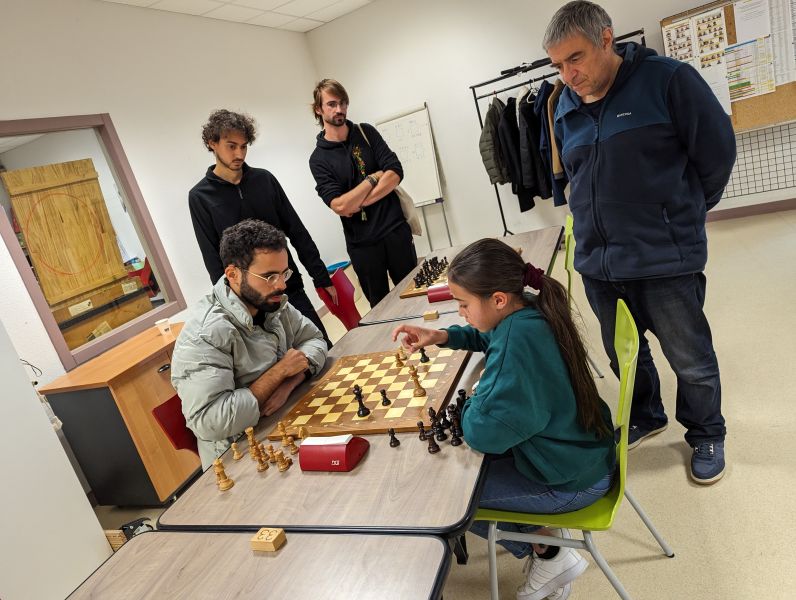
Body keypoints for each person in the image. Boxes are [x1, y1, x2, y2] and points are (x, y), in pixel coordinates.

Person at [544, 1, 735, 484]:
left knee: (690, 358)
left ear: (606, 39)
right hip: (598, 264)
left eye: (575, 58)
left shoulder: (668, 80)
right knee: (625, 355)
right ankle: (647, 415)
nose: (568, 75)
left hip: (663, 259)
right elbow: (574, 175)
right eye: (558, 65)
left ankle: (707, 432)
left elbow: (717, 154)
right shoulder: (565, 104)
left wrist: (680, 215)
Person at [392, 239, 615, 600]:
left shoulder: (518, 341)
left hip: (572, 482)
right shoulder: (527, 309)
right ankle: (547, 545)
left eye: (463, 304)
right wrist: (443, 336)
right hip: (583, 453)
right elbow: (492, 337)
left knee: (448, 499)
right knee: (465, 475)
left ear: (497, 299)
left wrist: (473, 401)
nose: (460, 312)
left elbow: (482, 434)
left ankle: (549, 554)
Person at [171, 220, 328, 469]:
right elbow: (209, 420)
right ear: (233, 275)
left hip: (285, 416)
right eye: (269, 276)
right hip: (240, 454)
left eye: (284, 273)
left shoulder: (273, 302)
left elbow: (315, 339)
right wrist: (279, 372)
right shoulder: (204, 335)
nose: (281, 285)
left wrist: (290, 381)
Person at [189, 109, 336, 348]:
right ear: (212, 143)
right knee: (280, 364)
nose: (239, 154)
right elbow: (214, 261)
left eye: (244, 146)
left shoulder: (264, 180)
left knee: (321, 347)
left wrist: (320, 277)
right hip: (250, 304)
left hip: (288, 289)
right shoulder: (200, 197)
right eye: (231, 146)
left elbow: (297, 230)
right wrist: (233, 309)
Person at [309, 79, 417, 307]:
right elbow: (339, 206)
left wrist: (359, 202)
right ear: (318, 109)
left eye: (343, 103)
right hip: (363, 247)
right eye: (331, 104)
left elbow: (395, 172)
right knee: (381, 309)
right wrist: (373, 178)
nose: (339, 109)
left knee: (415, 296)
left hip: (395, 231)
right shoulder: (318, 159)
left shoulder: (365, 132)